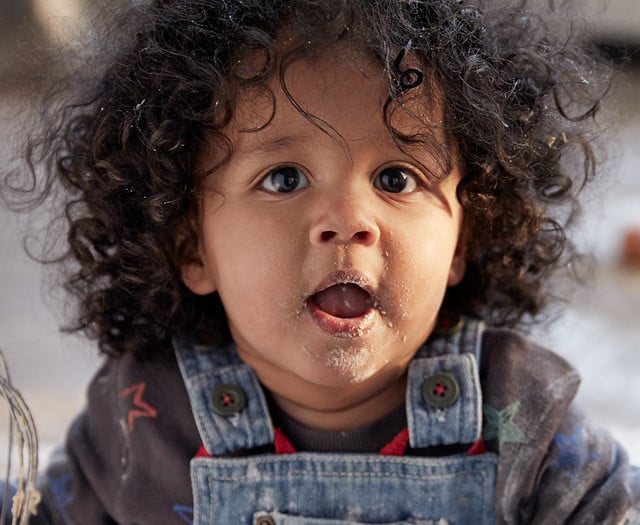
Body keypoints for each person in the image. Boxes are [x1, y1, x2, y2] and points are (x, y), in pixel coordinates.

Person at [1, 0, 639, 523]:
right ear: (191, 246)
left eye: (396, 177)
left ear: (464, 238)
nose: (348, 220)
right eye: (284, 178)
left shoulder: (523, 419)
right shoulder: (141, 420)